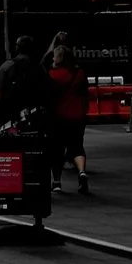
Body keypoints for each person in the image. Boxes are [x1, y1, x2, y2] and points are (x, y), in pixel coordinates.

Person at [45, 32, 92, 194]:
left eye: (54, 57)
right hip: (77, 116)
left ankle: (57, 182)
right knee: (77, 147)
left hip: (57, 117)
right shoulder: (79, 73)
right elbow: (86, 94)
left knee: (56, 150)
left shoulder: (52, 75)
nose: (52, 59)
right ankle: (82, 172)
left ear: (58, 58)